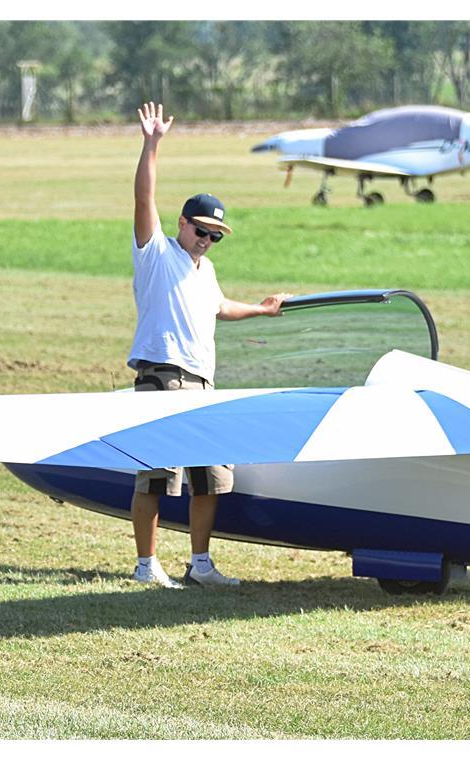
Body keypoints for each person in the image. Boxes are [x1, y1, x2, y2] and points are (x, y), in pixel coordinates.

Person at [129, 101, 289, 589]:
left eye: (215, 236)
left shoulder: (206, 269)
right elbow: (142, 201)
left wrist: (261, 310)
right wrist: (151, 145)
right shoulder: (156, 253)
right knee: (156, 477)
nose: (206, 240)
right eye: (201, 231)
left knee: (210, 479)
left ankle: (200, 565)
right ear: (182, 224)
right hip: (162, 377)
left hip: (203, 382)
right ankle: (145, 566)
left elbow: (219, 307)